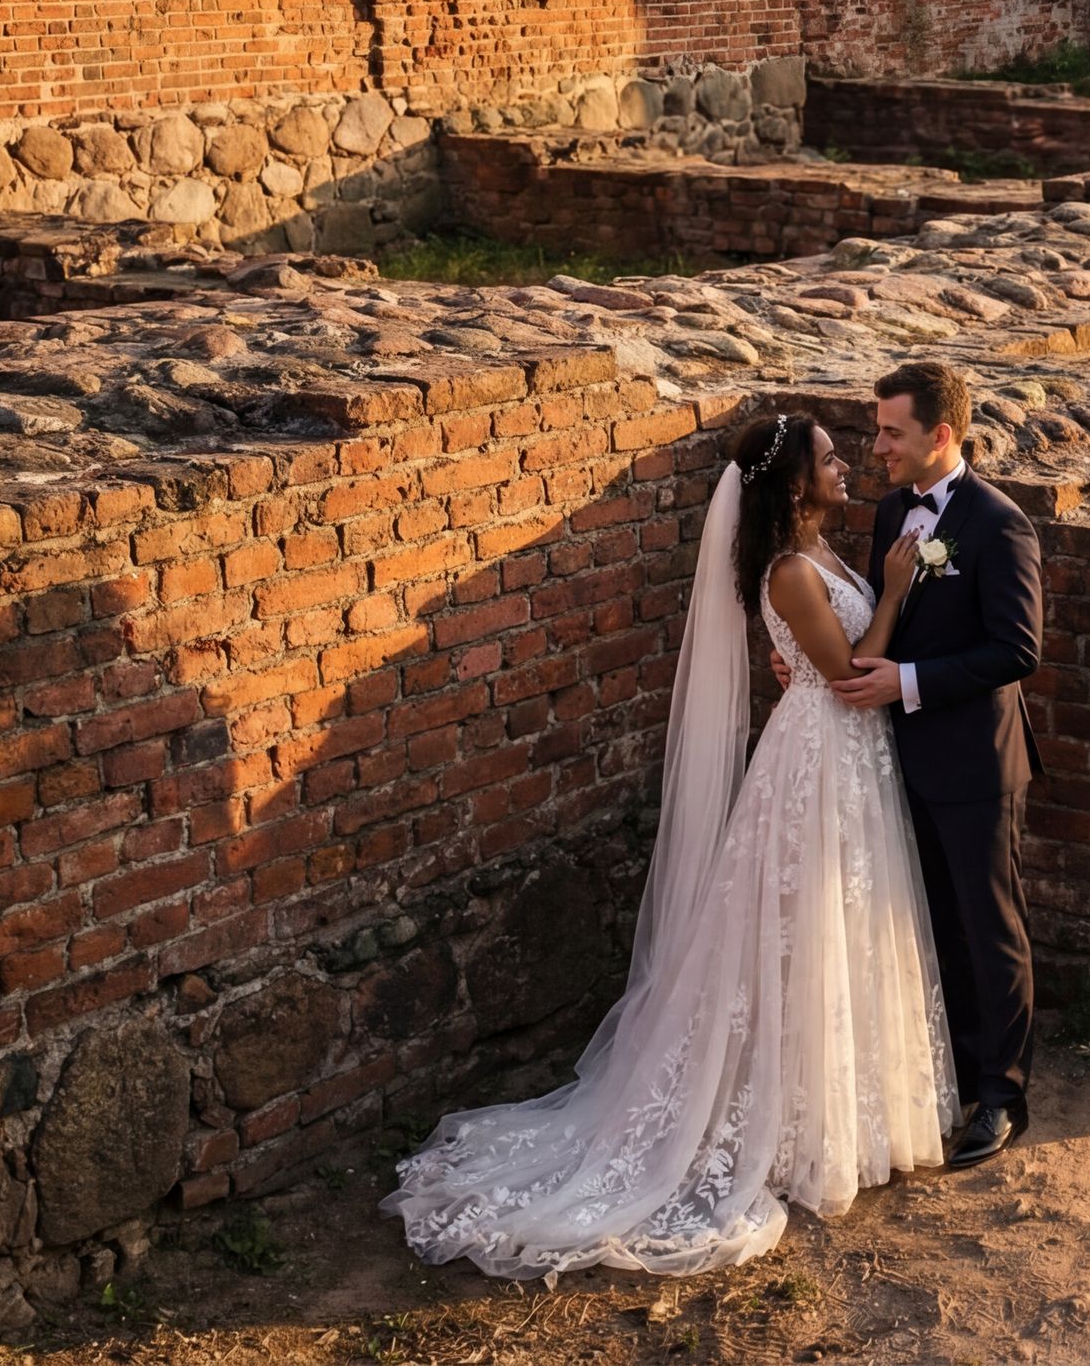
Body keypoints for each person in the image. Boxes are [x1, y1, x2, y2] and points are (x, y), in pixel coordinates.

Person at [384, 413, 960, 1278]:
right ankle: (779, 1122)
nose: (847, 465)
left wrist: (872, 595)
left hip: (847, 761)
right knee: (800, 930)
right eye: (831, 458)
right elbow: (844, 678)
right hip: (818, 757)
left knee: (838, 927)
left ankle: (848, 1112)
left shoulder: (822, 553)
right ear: (795, 483)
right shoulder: (791, 570)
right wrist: (892, 592)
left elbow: (817, 661)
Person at [827, 361, 1044, 1171]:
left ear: (939, 435)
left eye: (891, 431)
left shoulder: (999, 524)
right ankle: (948, 1071)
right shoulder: (892, 511)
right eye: (877, 428)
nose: (875, 444)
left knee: (991, 928)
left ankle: (1002, 1094)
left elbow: (1017, 649)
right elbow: (885, 616)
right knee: (930, 922)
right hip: (899, 757)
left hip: (978, 762)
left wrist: (906, 682)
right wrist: (830, 666)